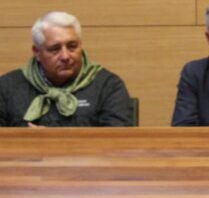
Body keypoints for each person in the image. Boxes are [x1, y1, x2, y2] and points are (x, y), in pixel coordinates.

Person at [0, 11, 132, 127]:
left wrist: (54, 143)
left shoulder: (108, 85)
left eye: (72, 46)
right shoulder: (7, 87)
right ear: (37, 52)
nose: (65, 56)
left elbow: (118, 142)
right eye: (55, 49)